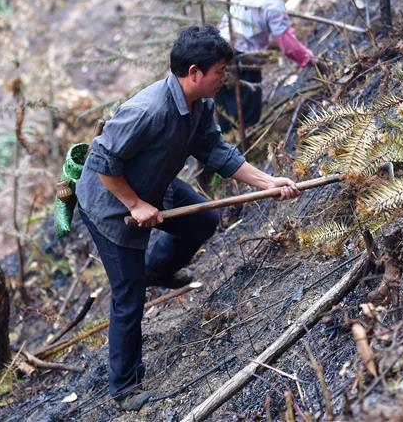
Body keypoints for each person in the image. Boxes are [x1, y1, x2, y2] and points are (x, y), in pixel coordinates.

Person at [75, 25, 301, 411]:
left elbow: (215, 150)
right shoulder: (147, 110)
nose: (224, 78)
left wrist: (268, 180)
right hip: (110, 206)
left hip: (154, 186)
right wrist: (134, 205)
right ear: (194, 72)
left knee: (200, 222)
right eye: (219, 72)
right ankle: (124, 388)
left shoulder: (200, 106)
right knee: (129, 296)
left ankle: (158, 270)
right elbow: (101, 163)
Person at [216, 0, 314, 132]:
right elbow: (287, 43)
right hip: (247, 56)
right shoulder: (273, 6)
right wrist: (308, 59)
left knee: (224, 95)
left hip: (221, 41)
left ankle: (226, 136)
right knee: (248, 104)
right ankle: (242, 141)